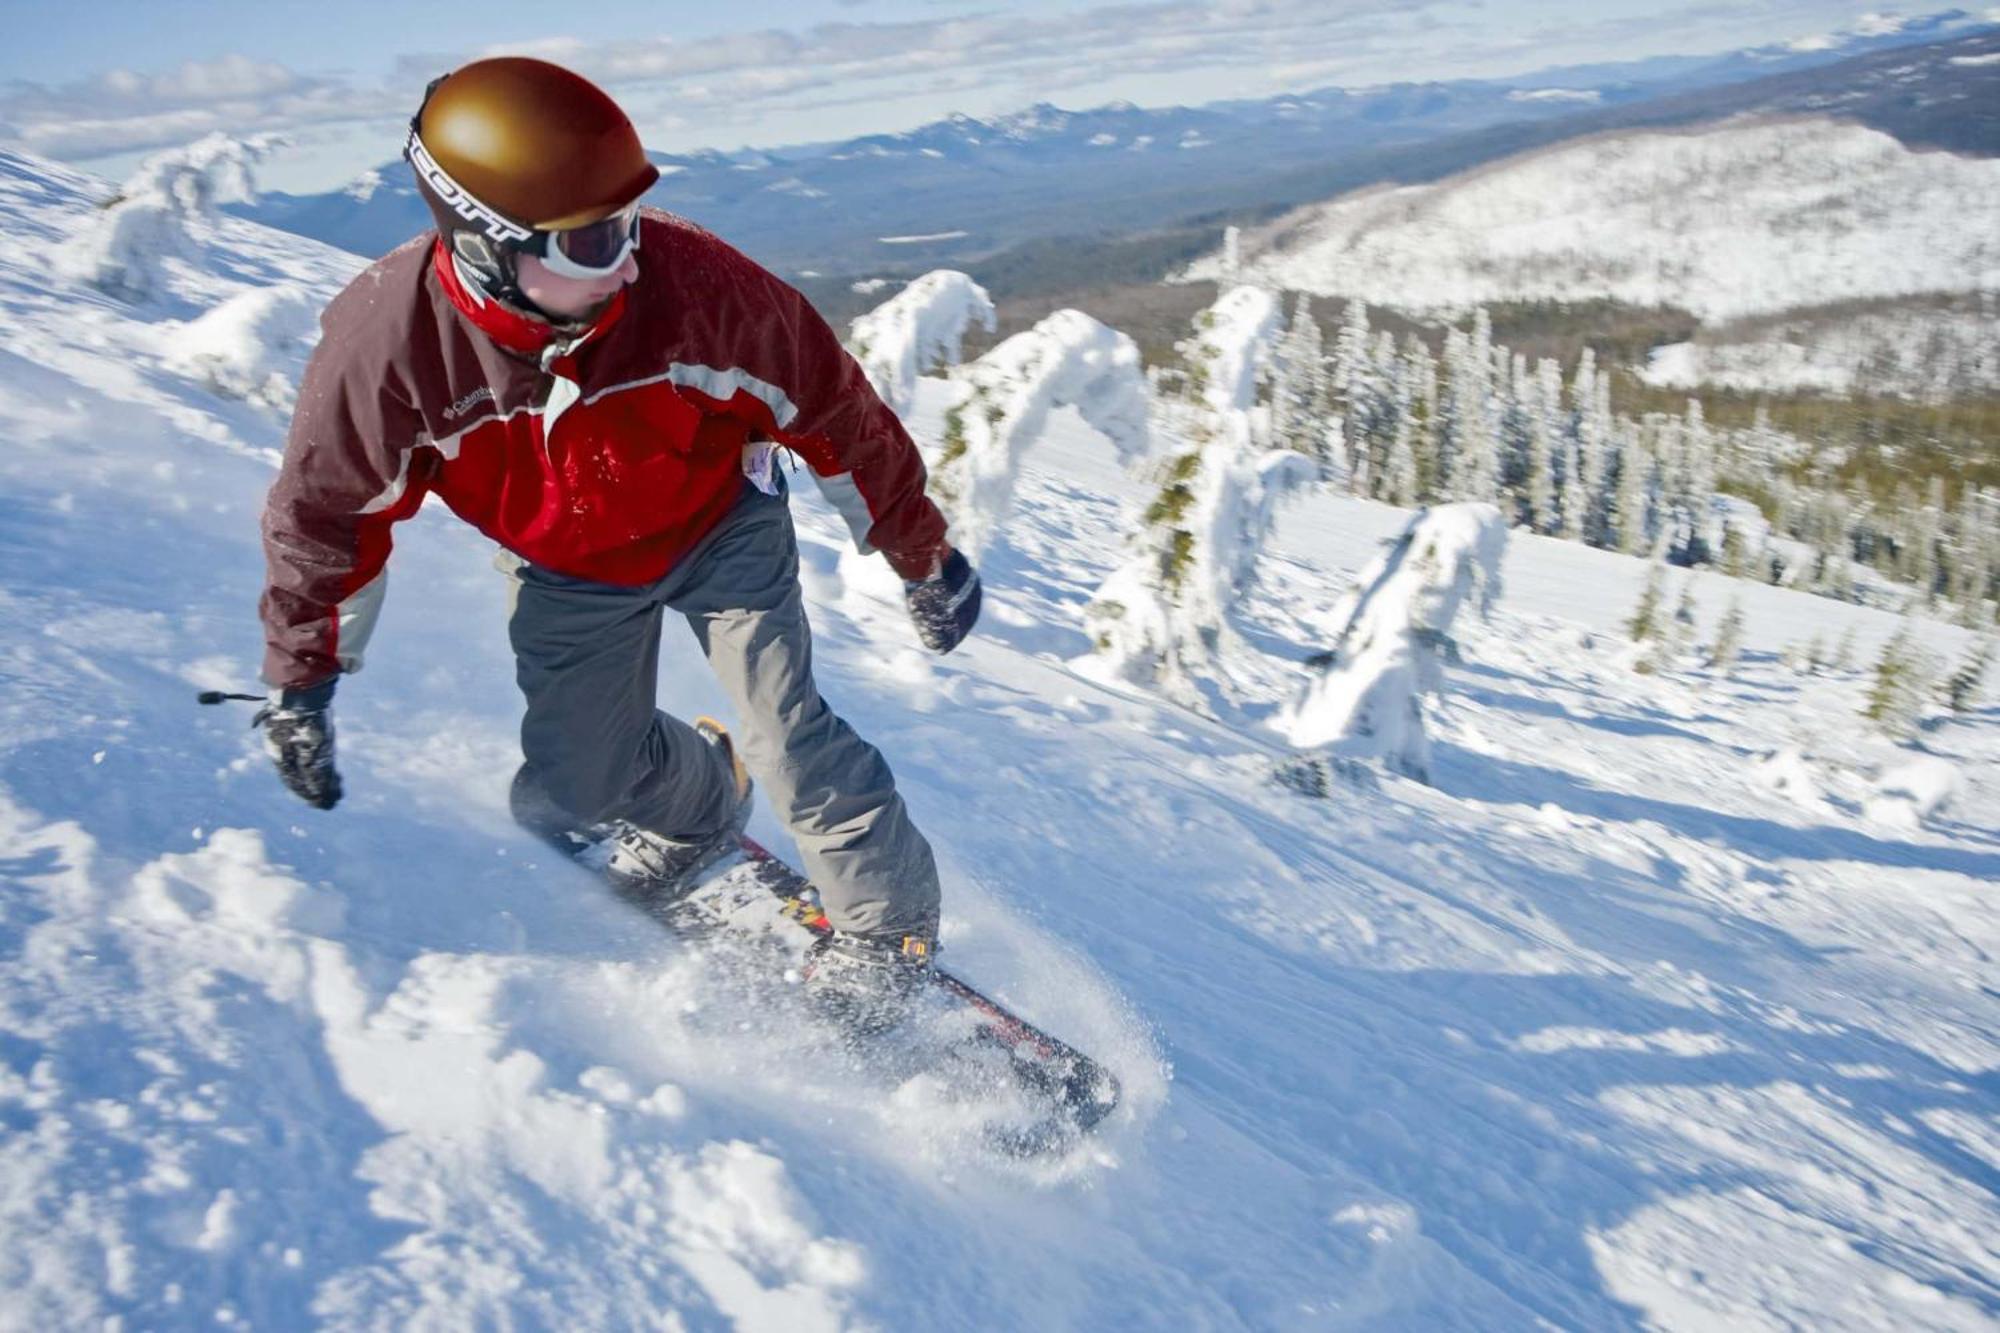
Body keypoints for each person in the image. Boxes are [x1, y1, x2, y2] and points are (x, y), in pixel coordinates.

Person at [254, 57, 981, 1016]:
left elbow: (834, 409)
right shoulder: (390, 355)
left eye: (630, 224)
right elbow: (329, 522)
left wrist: (920, 552)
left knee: (785, 731)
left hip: (722, 525)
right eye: (595, 241)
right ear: (485, 243)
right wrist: (302, 682)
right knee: (576, 776)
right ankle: (695, 806)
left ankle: (886, 936)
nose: (632, 259)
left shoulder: (697, 291)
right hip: (565, 565)